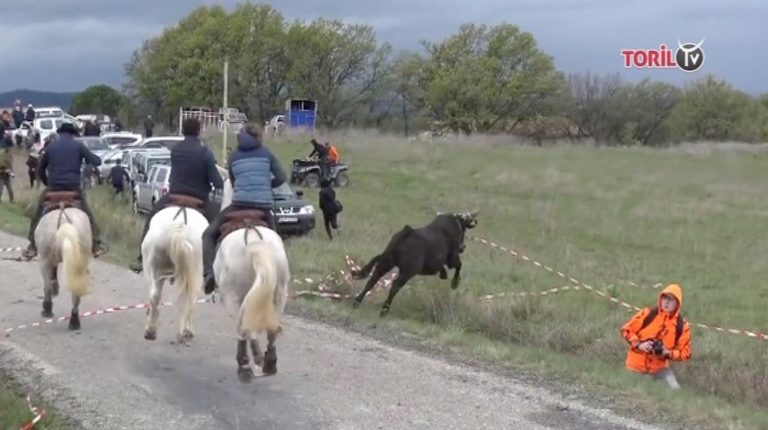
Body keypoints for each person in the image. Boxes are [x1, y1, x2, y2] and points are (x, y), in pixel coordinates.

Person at [200, 122, 287, 294]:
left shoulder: (234, 156)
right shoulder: (267, 154)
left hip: (238, 206)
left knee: (208, 234)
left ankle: (208, 273)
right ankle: (280, 278)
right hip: (263, 208)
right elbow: (282, 177)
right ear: (259, 136)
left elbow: (233, 183)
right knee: (276, 239)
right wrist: (267, 185)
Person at [129, 118, 223, 273]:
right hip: (199, 199)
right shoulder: (205, 152)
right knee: (215, 228)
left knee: (151, 217)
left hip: (174, 196)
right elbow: (217, 181)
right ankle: (211, 267)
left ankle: (140, 257)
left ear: (183, 131)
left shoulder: (176, 149)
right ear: (198, 131)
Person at [22, 123, 106, 259]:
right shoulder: (78, 146)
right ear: (73, 133)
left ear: (60, 133)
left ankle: (32, 244)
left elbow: (40, 170)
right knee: (87, 213)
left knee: (38, 213)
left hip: (53, 188)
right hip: (73, 188)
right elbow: (97, 161)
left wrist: (47, 183)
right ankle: (96, 244)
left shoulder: (51, 147)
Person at [620, 283, 692, 390]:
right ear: (661, 299)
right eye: (665, 298)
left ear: (677, 304)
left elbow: (686, 353)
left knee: (675, 390)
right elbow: (626, 330)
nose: (667, 302)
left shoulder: (682, 326)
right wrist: (639, 344)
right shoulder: (647, 314)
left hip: (660, 369)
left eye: (671, 300)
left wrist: (668, 353)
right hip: (635, 367)